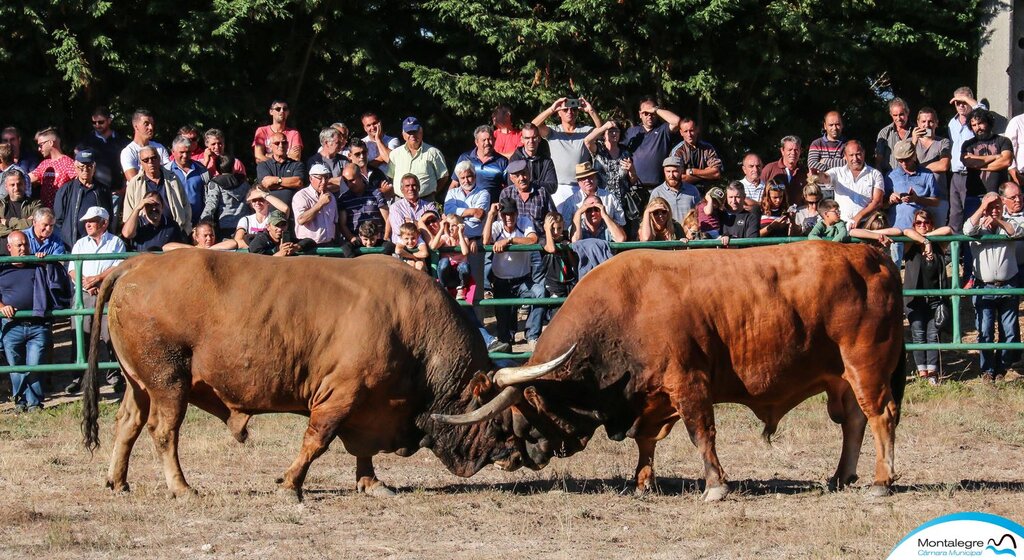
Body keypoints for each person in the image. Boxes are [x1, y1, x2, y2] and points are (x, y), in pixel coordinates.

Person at [0, 231, 68, 412]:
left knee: (35, 365)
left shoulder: (38, 264)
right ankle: (20, 401)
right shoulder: (2, 267)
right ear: (9, 248)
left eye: (25, 244)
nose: (23, 249)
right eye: (19, 246)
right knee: (15, 367)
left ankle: (35, 403)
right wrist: (1, 307)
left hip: (38, 323)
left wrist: (48, 263)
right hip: (11, 325)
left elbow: (61, 280)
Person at [963, 191, 1024, 383]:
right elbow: (966, 230)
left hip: (1008, 285)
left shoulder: (1010, 223)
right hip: (984, 287)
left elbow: (1017, 232)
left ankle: (1001, 367)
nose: (994, 210)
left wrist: (998, 221)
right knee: (985, 331)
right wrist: (983, 209)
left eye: (997, 206)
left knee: (1010, 332)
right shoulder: (976, 225)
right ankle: (987, 371)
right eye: (991, 207)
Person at [65, 206, 126, 394]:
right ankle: (79, 377)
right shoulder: (81, 243)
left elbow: (118, 266)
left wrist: (99, 279)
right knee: (80, 335)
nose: (88, 224)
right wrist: (86, 283)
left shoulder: (116, 242)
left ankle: (114, 375)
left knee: (111, 336)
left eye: (92, 220)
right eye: (87, 221)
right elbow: (71, 269)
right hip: (84, 294)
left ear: (104, 223)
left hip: (106, 293)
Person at [483, 198, 543, 349]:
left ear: (517, 213)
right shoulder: (496, 225)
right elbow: (485, 241)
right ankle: (506, 350)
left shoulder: (524, 221)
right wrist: (490, 215)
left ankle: (532, 335)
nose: (508, 218)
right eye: (504, 214)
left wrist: (509, 240)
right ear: (500, 215)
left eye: (511, 214)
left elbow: (532, 240)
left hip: (522, 280)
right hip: (501, 282)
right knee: (504, 335)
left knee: (540, 293)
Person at [901, 209, 953, 385]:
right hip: (914, 299)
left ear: (932, 224)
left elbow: (948, 230)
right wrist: (924, 241)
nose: (923, 226)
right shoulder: (910, 244)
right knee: (918, 334)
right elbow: (906, 232)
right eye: (919, 223)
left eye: (927, 222)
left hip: (935, 298)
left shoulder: (939, 243)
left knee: (933, 335)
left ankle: (933, 372)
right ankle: (921, 371)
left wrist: (929, 240)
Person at [532, 96, 602, 203]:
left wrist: (591, 111)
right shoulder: (553, 132)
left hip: (581, 186)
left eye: (573, 109)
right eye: (565, 110)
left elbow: (602, 131)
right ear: (559, 113)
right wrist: (552, 109)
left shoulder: (585, 131)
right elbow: (533, 127)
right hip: (558, 188)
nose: (570, 112)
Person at [886, 139, 939, 267]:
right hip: (896, 231)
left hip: (919, 232)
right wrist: (890, 199)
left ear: (914, 155)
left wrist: (917, 199)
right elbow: (882, 205)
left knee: (917, 272)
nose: (903, 163)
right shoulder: (891, 176)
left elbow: (936, 201)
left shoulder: (927, 175)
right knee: (894, 268)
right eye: (900, 160)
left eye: (907, 159)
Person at [444, 160, 491, 303]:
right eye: (462, 177)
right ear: (458, 178)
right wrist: (471, 211)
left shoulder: (484, 193)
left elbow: (479, 216)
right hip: (455, 243)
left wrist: (457, 215)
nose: (466, 180)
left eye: (469, 176)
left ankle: (478, 324)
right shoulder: (452, 193)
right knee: (455, 286)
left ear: (475, 176)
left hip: (475, 242)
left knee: (476, 285)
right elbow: (448, 211)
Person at [584, 120, 641, 234]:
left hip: (622, 203)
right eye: (610, 131)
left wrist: (632, 170)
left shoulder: (625, 152)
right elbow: (587, 141)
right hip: (603, 201)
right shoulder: (599, 150)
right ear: (604, 133)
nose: (613, 134)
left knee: (623, 235)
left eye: (616, 131)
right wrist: (604, 126)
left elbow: (632, 181)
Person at [54, 149, 115, 251]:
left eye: (89, 166)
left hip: (99, 245)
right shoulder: (66, 189)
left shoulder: (103, 190)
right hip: (71, 246)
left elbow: (109, 217)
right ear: (75, 167)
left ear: (94, 167)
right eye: (81, 167)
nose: (85, 170)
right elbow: (58, 220)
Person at [123, 146, 192, 236]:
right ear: (140, 163)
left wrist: (185, 231)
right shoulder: (134, 183)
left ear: (159, 159)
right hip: (145, 235)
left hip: (174, 233)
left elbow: (186, 205)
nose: (150, 162)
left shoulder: (173, 178)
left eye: (154, 158)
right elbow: (128, 215)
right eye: (146, 160)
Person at [817, 141, 884, 229]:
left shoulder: (875, 174)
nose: (855, 158)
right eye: (851, 155)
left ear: (864, 153)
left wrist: (859, 217)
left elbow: (877, 202)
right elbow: (825, 178)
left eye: (858, 154)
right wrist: (817, 176)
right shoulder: (837, 172)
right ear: (845, 156)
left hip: (867, 225)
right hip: (841, 225)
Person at [948, 87, 987, 232]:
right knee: (955, 216)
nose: (961, 105)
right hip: (955, 174)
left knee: (970, 215)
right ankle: (954, 253)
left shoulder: (977, 120)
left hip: (971, 173)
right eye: (957, 102)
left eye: (964, 101)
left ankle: (970, 252)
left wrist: (967, 100)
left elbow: (983, 112)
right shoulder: (952, 123)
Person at [623, 96, 682, 190]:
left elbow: (677, 121)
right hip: (636, 186)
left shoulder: (663, 130)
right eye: (645, 113)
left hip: (659, 188)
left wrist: (655, 109)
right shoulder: (632, 132)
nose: (649, 116)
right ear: (640, 114)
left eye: (652, 113)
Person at [386, 117, 449, 200]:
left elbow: (443, 177)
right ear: (403, 135)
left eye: (415, 131)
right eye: (409, 133)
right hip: (400, 202)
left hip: (426, 201)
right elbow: (391, 177)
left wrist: (432, 193)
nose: (413, 135)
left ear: (421, 132)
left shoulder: (433, 152)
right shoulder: (395, 154)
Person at [912, 107, 952, 227]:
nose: (927, 125)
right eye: (923, 122)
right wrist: (913, 141)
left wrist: (918, 167)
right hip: (916, 197)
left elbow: (944, 165)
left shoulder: (943, 142)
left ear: (936, 123)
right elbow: (907, 165)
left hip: (939, 198)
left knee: (938, 235)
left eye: (930, 121)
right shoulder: (910, 142)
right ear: (918, 123)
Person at [77, 106, 130, 193]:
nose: (97, 125)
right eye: (94, 122)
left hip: (117, 191)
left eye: (101, 122)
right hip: (94, 191)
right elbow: (78, 163)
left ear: (109, 121)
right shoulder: (86, 142)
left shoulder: (122, 141)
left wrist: (124, 189)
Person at [201, 155, 254, 239]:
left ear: (216, 168)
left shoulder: (215, 184)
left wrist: (201, 222)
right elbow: (250, 203)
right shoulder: (244, 182)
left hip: (223, 226)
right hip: (244, 224)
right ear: (233, 167)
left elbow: (211, 205)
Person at [452, 125, 508, 202]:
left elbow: (508, 187)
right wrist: (449, 204)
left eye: (490, 139)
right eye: (484, 140)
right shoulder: (465, 158)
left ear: (494, 140)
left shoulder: (502, 161)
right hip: (466, 207)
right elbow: (455, 183)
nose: (487, 143)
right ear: (476, 142)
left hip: (492, 208)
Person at [337, 163, 388, 245]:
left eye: (352, 180)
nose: (349, 185)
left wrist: (385, 238)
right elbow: (342, 225)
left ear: (360, 176)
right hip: (356, 244)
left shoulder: (376, 193)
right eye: (346, 182)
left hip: (377, 241)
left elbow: (387, 218)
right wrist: (352, 238)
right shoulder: (343, 199)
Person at [165, 135, 211, 224]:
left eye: (188, 152)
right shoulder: (166, 171)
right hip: (175, 223)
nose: (185, 155)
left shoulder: (201, 170)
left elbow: (209, 197)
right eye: (181, 152)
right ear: (173, 152)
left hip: (198, 222)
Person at [292, 164, 339, 247]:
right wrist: (320, 203)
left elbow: (335, 222)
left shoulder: (331, 196)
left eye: (326, 178)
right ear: (311, 178)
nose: (324, 182)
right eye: (320, 178)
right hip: (309, 246)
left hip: (329, 244)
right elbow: (301, 220)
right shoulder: (301, 196)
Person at [28, 127, 76, 209]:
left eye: (41, 145)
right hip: (45, 213)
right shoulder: (45, 163)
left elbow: (80, 183)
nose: (39, 149)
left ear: (50, 143)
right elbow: (26, 178)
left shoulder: (68, 163)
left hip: (62, 211)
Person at [255, 132, 307, 206]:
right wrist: (290, 184)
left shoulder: (297, 164)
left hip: (293, 208)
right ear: (270, 146)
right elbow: (266, 185)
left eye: (284, 143)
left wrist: (275, 180)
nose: (281, 145)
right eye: (277, 143)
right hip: (270, 210)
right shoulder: (263, 165)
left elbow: (298, 182)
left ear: (288, 145)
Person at [669, 118, 723, 187]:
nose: (689, 134)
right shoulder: (678, 152)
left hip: (706, 191)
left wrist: (693, 171)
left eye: (691, 130)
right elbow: (679, 178)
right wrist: (706, 174)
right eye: (686, 131)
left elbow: (716, 173)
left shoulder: (707, 148)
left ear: (697, 129)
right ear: (681, 133)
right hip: (684, 191)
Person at [119, 109, 169, 181]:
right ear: (136, 127)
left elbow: (168, 174)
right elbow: (134, 181)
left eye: (152, 124)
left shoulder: (160, 148)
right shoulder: (128, 152)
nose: (151, 128)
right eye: (146, 124)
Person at [508, 123, 557, 194]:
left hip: (542, 200)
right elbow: (512, 186)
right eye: (527, 138)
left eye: (534, 137)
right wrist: (538, 185)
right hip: (520, 201)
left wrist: (528, 184)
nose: (531, 141)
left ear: (539, 139)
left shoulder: (546, 161)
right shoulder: (514, 160)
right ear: (522, 140)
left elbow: (552, 186)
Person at [388, 174, 438, 244]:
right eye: (407, 186)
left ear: (419, 188)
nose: (411, 188)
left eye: (414, 185)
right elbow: (399, 231)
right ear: (402, 189)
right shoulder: (395, 207)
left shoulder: (429, 206)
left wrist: (411, 222)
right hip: (403, 249)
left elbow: (435, 228)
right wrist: (423, 224)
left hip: (427, 246)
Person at [648, 156, 700, 224]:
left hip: (687, 233)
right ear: (664, 172)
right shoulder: (657, 193)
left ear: (682, 171)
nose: (671, 175)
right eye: (668, 171)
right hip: (666, 233)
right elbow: (651, 218)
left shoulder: (692, 191)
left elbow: (699, 215)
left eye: (675, 171)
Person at [430, 214, 471, 299]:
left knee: (464, 265)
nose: (450, 228)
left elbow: (465, 252)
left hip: (458, 273)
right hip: (447, 273)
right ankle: (443, 286)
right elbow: (433, 247)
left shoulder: (463, 238)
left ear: (460, 227)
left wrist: (460, 233)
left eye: (454, 226)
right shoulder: (445, 238)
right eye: (448, 225)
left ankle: (461, 287)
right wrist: (441, 228)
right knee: (444, 261)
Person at [0, 170, 43, 250]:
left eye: (19, 184)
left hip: (27, 254)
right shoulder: (1, 205)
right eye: (12, 185)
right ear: (6, 187)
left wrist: (7, 222)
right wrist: (21, 229)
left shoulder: (35, 204)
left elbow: (35, 224)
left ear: (25, 185)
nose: (16, 188)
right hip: (2, 256)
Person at [760, 135, 807, 205]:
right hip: (773, 214)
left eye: (796, 150)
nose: (793, 153)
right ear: (782, 150)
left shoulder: (804, 172)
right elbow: (759, 192)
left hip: (798, 214)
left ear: (800, 151)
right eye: (790, 150)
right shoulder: (770, 169)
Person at [253, 99, 303, 164]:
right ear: (271, 112)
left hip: (288, 173)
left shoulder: (294, 133)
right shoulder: (262, 131)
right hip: (267, 172)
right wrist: (286, 156)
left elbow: (295, 158)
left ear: (288, 112)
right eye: (278, 109)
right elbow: (258, 157)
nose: (282, 111)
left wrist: (268, 155)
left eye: (285, 109)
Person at [875, 97, 914, 174]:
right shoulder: (884, 133)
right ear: (891, 115)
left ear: (907, 112)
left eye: (901, 114)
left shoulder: (915, 131)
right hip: (890, 177)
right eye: (895, 115)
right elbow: (878, 161)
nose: (898, 118)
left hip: (913, 175)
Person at [162, 220, 238, 251]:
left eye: (211, 235)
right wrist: (195, 250)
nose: (209, 238)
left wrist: (209, 250)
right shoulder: (192, 249)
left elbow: (233, 243)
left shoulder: (217, 247)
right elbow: (166, 247)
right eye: (205, 236)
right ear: (197, 238)